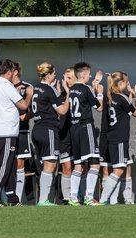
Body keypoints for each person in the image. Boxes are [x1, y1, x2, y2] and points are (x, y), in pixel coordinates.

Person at [0, 59, 33, 207]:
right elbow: (24, 105)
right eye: (12, 71)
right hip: (5, 133)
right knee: (3, 166)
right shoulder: (6, 86)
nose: (14, 73)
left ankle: (12, 197)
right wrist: (29, 94)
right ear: (7, 72)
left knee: (11, 166)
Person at [31, 62, 70, 206]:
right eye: (53, 74)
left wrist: (57, 94)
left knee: (45, 165)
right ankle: (43, 200)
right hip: (48, 129)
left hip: (37, 129)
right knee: (50, 165)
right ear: (48, 75)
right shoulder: (49, 89)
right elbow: (62, 111)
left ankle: (43, 199)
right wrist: (68, 94)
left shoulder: (36, 88)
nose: (55, 76)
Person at [98, 71, 136, 205]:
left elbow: (124, 110)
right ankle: (104, 199)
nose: (127, 84)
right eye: (126, 82)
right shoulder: (121, 97)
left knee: (121, 167)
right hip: (120, 138)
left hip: (112, 137)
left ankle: (119, 200)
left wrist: (130, 96)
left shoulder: (109, 96)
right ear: (120, 84)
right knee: (119, 169)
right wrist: (135, 94)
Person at [67, 62, 103, 206]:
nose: (90, 76)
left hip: (74, 129)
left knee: (78, 165)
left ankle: (73, 197)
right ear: (83, 75)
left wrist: (93, 88)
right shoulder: (86, 89)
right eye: (89, 74)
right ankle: (89, 198)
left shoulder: (72, 89)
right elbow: (99, 107)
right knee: (95, 164)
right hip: (85, 127)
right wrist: (99, 90)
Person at [11, 62, 34, 202]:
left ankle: (17, 199)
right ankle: (6, 196)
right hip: (6, 131)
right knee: (7, 163)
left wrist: (21, 117)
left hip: (22, 130)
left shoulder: (27, 87)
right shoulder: (4, 86)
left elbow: (34, 111)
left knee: (19, 164)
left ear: (16, 72)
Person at [58, 67, 77, 203]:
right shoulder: (59, 94)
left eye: (70, 78)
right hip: (64, 136)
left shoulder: (80, 92)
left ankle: (77, 195)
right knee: (67, 167)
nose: (67, 81)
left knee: (79, 167)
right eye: (66, 78)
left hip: (77, 135)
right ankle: (66, 198)